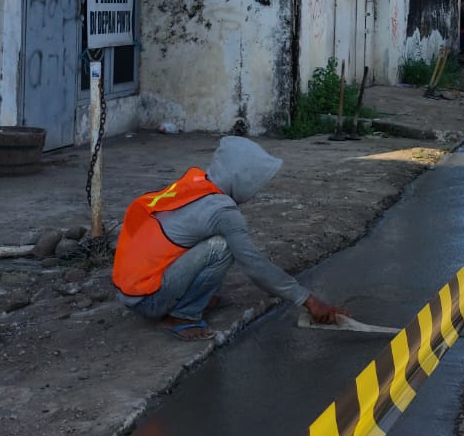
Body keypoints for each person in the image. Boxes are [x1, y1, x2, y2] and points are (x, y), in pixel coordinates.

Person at [112, 137, 342, 341]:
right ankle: (181, 316)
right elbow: (254, 265)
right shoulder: (222, 212)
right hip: (147, 301)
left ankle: (186, 298)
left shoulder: (196, 183)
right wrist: (309, 300)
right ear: (242, 178)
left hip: (132, 290)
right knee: (222, 247)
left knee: (208, 240)